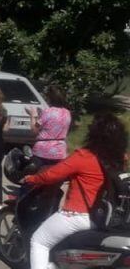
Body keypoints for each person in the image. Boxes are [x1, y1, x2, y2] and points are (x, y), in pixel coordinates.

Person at [24, 113, 128, 269]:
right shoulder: (120, 158)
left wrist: (30, 179)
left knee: (39, 241)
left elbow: (51, 175)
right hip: (102, 217)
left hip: (76, 216)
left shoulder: (84, 156)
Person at [27, 85, 71, 166]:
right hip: (60, 151)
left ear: (49, 98)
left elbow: (34, 130)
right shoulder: (67, 113)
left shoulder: (47, 112)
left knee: (38, 176)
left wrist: (33, 115)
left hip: (43, 151)